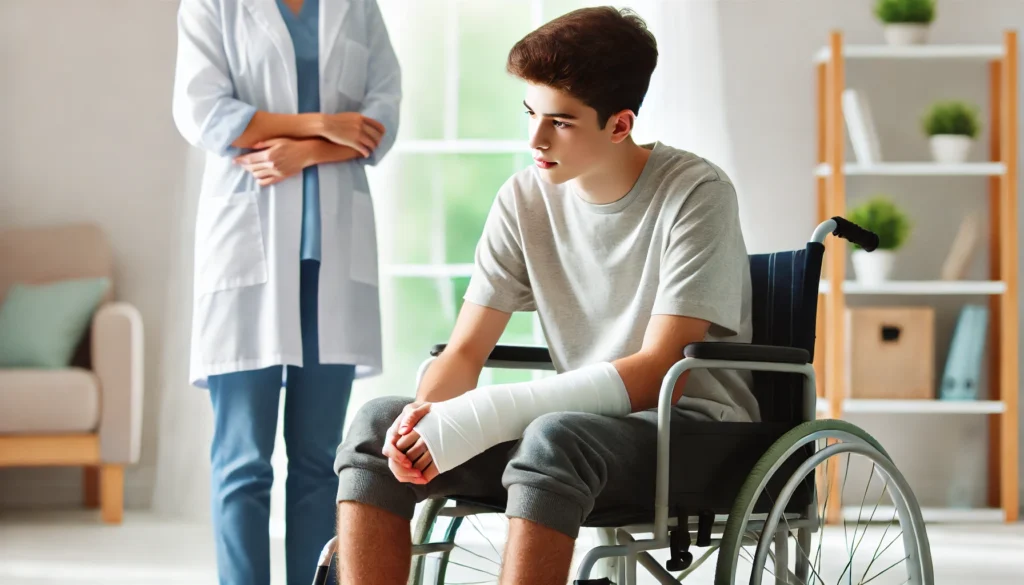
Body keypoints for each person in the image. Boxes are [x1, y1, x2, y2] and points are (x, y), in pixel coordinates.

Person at [333, 6, 754, 585]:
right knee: (380, 423)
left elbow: (662, 369)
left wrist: (486, 414)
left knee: (554, 434)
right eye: (530, 112)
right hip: (573, 435)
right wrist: (420, 419)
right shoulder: (523, 200)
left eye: (560, 122)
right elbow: (463, 353)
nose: (535, 138)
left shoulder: (696, 194)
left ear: (619, 124)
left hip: (688, 427)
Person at [171, 0, 400, 584]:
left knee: (320, 462)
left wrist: (305, 151)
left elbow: (381, 119)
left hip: (332, 256)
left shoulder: (356, 7)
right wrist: (321, 124)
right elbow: (206, 114)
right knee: (243, 462)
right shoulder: (212, 6)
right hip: (245, 251)